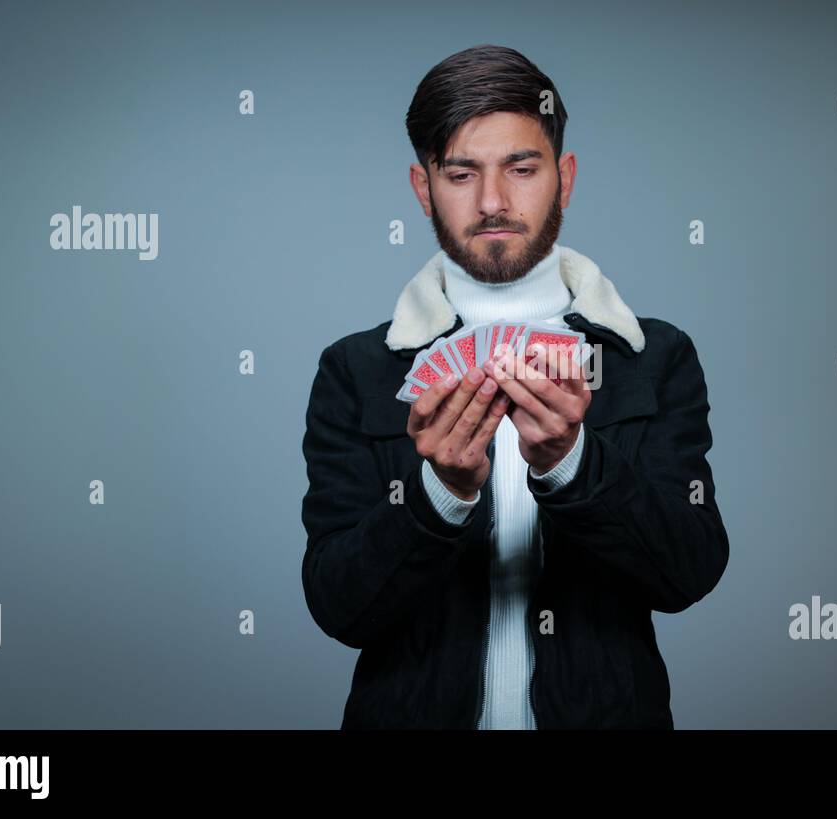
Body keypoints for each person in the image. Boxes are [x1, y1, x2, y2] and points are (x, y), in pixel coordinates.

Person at [301, 44, 729, 729]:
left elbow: (690, 570)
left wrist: (576, 465)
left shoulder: (651, 357)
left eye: (521, 169)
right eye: (461, 173)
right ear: (423, 187)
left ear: (565, 177)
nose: (493, 202)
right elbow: (338, 604)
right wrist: (437, 495)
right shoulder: (357, 370)